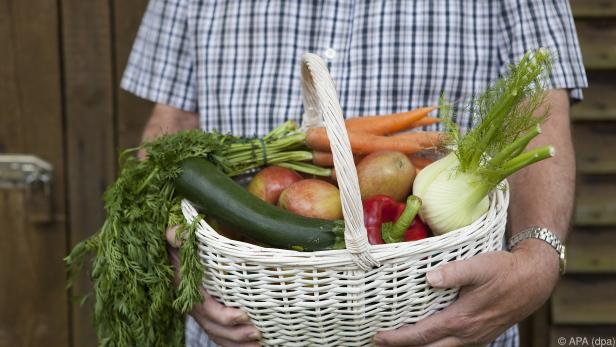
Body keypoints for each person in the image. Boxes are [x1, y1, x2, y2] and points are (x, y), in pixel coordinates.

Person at [122, 1, 587, 346]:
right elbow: (171, 129)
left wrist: (536, 262)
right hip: (244, 320)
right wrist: (181, 267)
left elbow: (538, 116)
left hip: (441, 317)